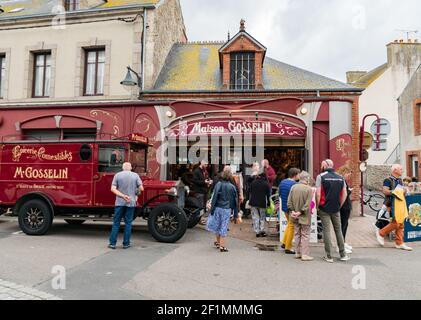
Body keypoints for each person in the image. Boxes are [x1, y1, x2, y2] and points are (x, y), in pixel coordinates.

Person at [316, 159, 350, 263]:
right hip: (336, 208)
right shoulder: (340, 177)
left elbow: (318, 193)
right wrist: (340, 204)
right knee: (338, 230)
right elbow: (344, 193)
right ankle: (343, 254)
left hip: (324, 207)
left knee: (326, 230)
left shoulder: (321, 177)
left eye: (322, 165)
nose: (321, 167)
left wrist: (318, 205)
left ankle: (328, 256)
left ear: (325, 166)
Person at [376, 164, 413, 251]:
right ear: (395, 170)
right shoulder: (387, 180)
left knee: (401, 224)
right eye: (400, 169)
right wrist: (396, 192)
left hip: (399, 204)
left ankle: (399, 243)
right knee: (395, 223)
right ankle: (381, 233)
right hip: (391, 204)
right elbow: (385, 191)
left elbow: (401, 192)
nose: (402, 170)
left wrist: (404, 190)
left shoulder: (400, 180)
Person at [108, 162, 143, 249]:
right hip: (131, 203)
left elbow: (112, 189)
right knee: (128, 223)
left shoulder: (117, 175)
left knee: (116, 223)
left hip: (119, 203)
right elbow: (141, 188)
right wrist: (136, 192)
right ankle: (126, 244)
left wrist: (123, 196)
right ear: (130, 168)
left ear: (123, 168)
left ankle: (112, 243)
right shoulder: (135, 175)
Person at [206, 166, 238, 252]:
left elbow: (215, 197)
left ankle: (218, 242)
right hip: (226, 209)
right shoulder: (232, 187)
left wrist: (212, 209)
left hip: (217, 208)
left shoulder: (218, 184)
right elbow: (234, 201)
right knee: (224, 226)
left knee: (217, 225)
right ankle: (222, 246)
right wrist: (235, 214)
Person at [287, 171, 314, 261]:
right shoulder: (308, 189)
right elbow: (307, 204)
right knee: (305, 234)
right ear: (307, 179)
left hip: (294, 214)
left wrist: (293, 211)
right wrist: (300, 212)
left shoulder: (293, 187)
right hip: (304, 216)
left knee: (297, 233)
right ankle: (305, 254)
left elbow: (289, 202)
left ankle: (297, 252)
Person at [279, 168, 301, 254]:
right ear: (295, 175)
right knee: (292, 226)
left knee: (289, 225)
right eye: (298, 174)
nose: (299, 176)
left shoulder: (283, 182)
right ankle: (288, 247)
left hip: (284, 207)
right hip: (291, 208)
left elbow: (280, 194)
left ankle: (284, 243)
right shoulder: (294, 185)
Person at [249, 172, 272, 238]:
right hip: (262, 202)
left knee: (255, 217)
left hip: (253, 202)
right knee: (262, 217)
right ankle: (262, 230)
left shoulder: (253, 183)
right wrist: (269, 203)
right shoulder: (266, 184)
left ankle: (257, 231)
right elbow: (268, 195)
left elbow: (249, 192)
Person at [337, 165, 353, 254]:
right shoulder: (341, 181)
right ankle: (340, 244)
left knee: (345, 225)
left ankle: (343, 242)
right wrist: (350, 191)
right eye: (348, 174)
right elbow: (343, 193)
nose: (349, 176)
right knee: (342, 225)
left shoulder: (343, 181)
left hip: (346, 205)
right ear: (344, 172)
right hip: (343, 206)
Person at [192, 160, 213, 224]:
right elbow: (194, 181)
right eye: (205, 164)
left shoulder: (204, 171)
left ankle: (200, 219)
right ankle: (198, 220)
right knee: (200, 206)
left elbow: (206, 178)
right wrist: (204, 182)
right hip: (199, 191)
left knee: (203, 206)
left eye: (207, 164)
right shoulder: (196, 171)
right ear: (201, 163)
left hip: (204, 191)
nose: (206, 166)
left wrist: (209, 181)